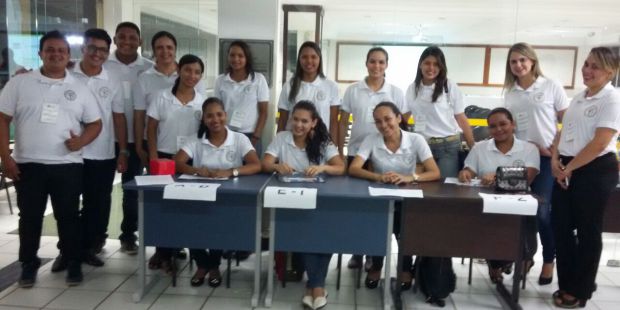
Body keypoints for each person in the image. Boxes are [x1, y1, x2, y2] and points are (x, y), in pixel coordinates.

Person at [0, 30, 103, 287]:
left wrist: (81, 141)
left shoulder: (79, 88)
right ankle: (28, 263)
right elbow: (2, 119)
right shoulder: (20, 83)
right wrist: (6, 157)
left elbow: (95, 124)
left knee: (68, 216)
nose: (56, 54)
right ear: (40, 53)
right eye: (50, 50)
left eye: (61, 50)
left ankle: (73, 261)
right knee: (30, 216)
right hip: (28, 163)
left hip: (67, 165)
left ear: (68, 56)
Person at [550, 47, 620, 308]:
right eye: (586, 64)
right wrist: (556, 160)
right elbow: (562, 134)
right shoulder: (579, 98)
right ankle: (566, 283)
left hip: (595, 169)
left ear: (610, 71)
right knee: (562, 229)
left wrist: (569, 169)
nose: (587, 70)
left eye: (595, 67)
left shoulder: (612, 99)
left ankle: (581, 289)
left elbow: (600, 142)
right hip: (568, 166)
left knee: (588, 231)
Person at [348, 102, 440, 295]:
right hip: (380, 196)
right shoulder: (372, 139)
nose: (384, 125)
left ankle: (405, 268)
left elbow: (434, 172)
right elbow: (354, 168)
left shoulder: (416, 139)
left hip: (408, 198)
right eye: (378, 122)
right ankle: (376, 266)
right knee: (377, 228)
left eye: (388, 119)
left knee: (405, 229)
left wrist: (410, 177)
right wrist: (378, 177)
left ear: (399, 118)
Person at [263, 101, 345, 310]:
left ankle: (314, 286)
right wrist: (277, 166)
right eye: (295, 119)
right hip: (291, 202)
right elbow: (265, 163)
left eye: (304, 121)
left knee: (326, 232)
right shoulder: (282, 138)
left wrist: (322, 167)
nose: (299, 125)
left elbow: (340, 168)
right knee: (306, 231)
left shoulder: (323, 142)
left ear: (313, 123)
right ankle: (317, 287)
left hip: (320, 201)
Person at [174, 97, 261, 287]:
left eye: (219, 114)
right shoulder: (196, 139)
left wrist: (232, 171)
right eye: (210, 116)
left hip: (227, 201)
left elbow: (256, 164)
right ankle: (203, 264)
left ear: (226, 116)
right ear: (204, 119)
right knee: (190, 222)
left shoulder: (239, 139)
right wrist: (197, 170)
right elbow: (178, 162)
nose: (215, 120)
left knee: (219, 222)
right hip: (199, 198)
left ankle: (211, 266)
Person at [338, 46, 409, 275]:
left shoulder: (396, 92)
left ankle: (373, 256)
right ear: (366, 63)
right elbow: (342, 122)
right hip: (357, 153)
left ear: (386, 65)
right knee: (358, 207)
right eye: (372, 61)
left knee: (378, 208)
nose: (376, 66)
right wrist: (340, 150)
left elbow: (404, 122)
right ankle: (357, 252)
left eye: (381, 62)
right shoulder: (353, 90)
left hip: (383, 155)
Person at [503, 42, 568, 285]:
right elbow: (512, 129)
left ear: (532, 61)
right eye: (513, 61)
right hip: (520, 158)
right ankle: (524, 257)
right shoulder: (511, 93)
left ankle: (548, 260)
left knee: (541, 212)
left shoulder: (550, 85)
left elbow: (567, 121)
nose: (518, 65)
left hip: (546, 159)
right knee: (518, 211)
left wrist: (555, 150)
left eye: (522, 60)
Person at [457, 108, 540, 284]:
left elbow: (528, 176)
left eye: (503, 124)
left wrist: (497, 176)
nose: (499, 129)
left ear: (513, 125)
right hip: (487, 204)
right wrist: (465, 173)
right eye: (493, 126)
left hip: (519, 204)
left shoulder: (529, 148)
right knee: (489, 228)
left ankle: (523, 257)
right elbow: (469, 169)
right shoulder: (480, 148)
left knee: (525, 227)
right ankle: (495, 263)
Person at [68, 28, 128, 269]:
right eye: (92, 48)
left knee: (97, 204)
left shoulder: (111, 79)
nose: (97, 54)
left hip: (102, 152)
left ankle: (90, 247)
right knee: (68, 205)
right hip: (69, 153)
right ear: (83, 48)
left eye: (102, 50)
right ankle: (68, 250)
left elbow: (119, 117)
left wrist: (122, 150)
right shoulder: (67, 73)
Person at [145, 54, 205, 273]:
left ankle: (176, 248)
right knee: (164, 207)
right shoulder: (161, 97)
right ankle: (162, 252)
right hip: (163, 157)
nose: (192, 76)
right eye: (188, 70)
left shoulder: (202, 101)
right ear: (179, 70)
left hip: (188, 159)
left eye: (197, 72)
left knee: (185, 205)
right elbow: (150, 128)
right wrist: (153, 157)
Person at [103, 22, 153, 255]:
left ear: (140, 42)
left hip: (139, 140)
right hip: (104, 138)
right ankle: (96, 238)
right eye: (122, 37)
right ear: (115, 39)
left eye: (132, 38)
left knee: (132, 190)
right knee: (100, 192)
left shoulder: (149, 68)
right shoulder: (103, 64)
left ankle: (128, 235)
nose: (127, 41)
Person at [134, 31, 207, 167]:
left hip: (191, 152)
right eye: (160, 47)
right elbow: (143, 119)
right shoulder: (148, 82)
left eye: (169, 47)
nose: (165, 51)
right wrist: (147, 151)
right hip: (161, 146)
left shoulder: (200, 94)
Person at [277, 41, 339, 143]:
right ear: (299, 60)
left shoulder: (330, 86)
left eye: (313, 57)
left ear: (319, 59)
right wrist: (278, 144)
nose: (309, 61)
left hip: (320, 142)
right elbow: (282, 120)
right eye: (304, 57)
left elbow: (333, 121)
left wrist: (333, 146)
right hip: (293, 142)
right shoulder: (289, 85)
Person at [214, 40, 269, 151]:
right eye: (232, 55)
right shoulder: (221, 80)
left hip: (250, 135)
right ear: (228, 57)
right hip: (227, 134)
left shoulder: (258, 79)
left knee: (251, 167)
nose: (236, 59)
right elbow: (216, 109)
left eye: (240, 56)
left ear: (247, 58)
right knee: (229, 167)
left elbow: (264, 112)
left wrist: (256, 137)